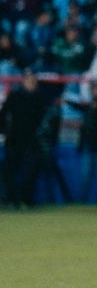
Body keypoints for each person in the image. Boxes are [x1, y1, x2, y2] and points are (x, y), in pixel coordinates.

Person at [0, 70, 48, 209]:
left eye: (34, 81)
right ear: (23, 82)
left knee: (30, 172)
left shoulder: (40, 99)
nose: (32, 84)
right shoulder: (15, 96)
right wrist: (4, 131)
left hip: (32, 140)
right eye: (29, 81)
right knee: (10, 171)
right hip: (14, 139)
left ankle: (25, 199)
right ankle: (10, 199)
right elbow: (3, 114)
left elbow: (45, 120)